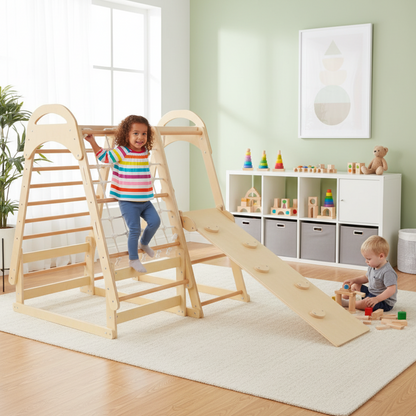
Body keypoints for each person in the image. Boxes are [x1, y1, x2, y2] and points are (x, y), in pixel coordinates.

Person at [84, 115, 160, 273]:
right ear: (127, 135)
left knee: (155, 222)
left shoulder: (145, 151)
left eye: (144, 134)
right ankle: (133, 259)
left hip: (145, 199)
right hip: (128, 200)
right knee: (134, 230)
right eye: (136, 133)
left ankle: (144, 243)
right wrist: (92, 141)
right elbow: (104, 157)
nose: (140, 137)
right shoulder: (122, 151)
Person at [342, 235, 397, 312]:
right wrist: (354, 280)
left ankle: (348, 303)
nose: (366, 261)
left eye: (368, 259)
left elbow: (391, 290)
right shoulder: (373, 265)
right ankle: (343, 299)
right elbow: (366, 278)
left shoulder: (388, 272)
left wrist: (377, 299)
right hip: (371, 293)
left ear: (381, 256)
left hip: (383, 301)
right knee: (355, 285)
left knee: (366, 304)